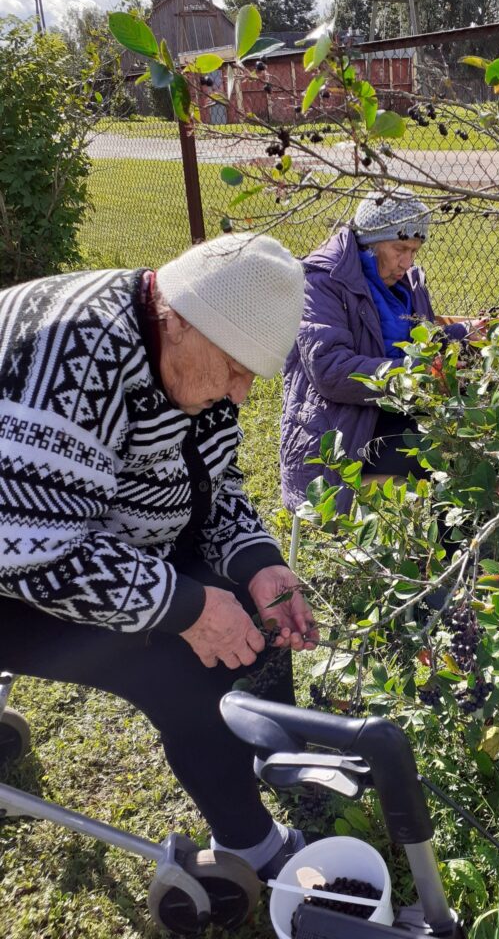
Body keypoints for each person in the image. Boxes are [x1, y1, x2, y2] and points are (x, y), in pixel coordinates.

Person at [0, 232, 319, 882]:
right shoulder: (74, 355)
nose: (238, 396)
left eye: (250, 377)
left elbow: (214, 486)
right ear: (176, 321)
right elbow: (30, 552)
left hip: (74, 530)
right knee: (174, 660)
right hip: (18, 554)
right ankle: (250, 850)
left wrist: (257, 562)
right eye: (233, 370)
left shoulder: (198, 344)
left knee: (253, 619)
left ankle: (269, 749)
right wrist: (184, 607)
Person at [281, 189, 484, 514]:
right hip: (342, 433)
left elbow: (421, 346)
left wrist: (463, 334)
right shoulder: (321, 281)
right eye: (400, 248)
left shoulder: (405, 285)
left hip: (395, 412)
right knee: (441, 458)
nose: (407, 262)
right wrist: (417, 375)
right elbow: (332, 371)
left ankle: (452, 556)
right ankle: (435, 558)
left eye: (415, 250)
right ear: (370, 242)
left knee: (469, 443)